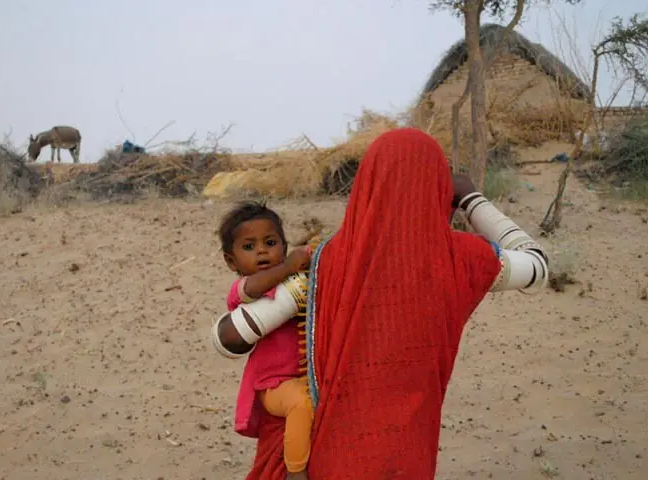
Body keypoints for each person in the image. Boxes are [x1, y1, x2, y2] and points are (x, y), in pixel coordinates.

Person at [210, 128, 550, 479]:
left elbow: (228, 338)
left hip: (334, 459)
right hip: (409, 458)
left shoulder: (325, 262)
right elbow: (538, 266)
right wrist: (471, 199)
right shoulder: (463, 259)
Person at [216, 201, 316, 480]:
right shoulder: (245, 290)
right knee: (301, 403)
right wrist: (287, 267)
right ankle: (296, 472)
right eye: (248, 247)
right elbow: (256, 286)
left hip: (306, 374)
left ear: (283, 246)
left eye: (270, 242)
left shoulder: (298, 281)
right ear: (231, 261)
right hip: (272, 384)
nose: (261, 250)